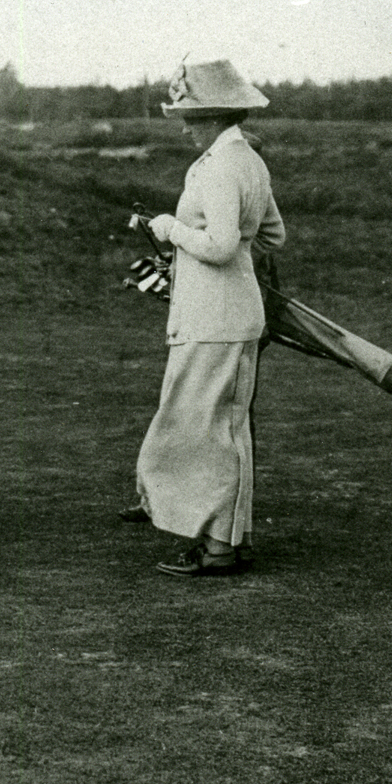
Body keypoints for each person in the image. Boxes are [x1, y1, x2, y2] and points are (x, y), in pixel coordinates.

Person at [125, 59, 285, 577]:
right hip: (225, 313)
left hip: (215, 319)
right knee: (219, 430)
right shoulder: (249, 161)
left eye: (192, 117)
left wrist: (172, 230)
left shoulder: (220, 165)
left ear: (216, 116)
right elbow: (271, 235)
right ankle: (227, 542)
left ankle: (218, 547)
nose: (186, 127)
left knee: (203, 431)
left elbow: (218, 246)